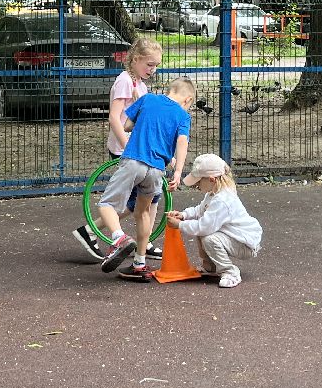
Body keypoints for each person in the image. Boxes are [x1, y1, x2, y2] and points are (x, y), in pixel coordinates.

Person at [72, 36, 163, 260]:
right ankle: (134, 238)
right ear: (135, 60)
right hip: (127, 150)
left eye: (156, 65)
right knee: (135, 201)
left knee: (143, 200)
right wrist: (127, 146)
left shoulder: (140, 84)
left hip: (140, 150)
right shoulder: (125, 80)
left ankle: (93, 232)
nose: (152, 69)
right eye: (149, 64)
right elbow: (114, 118)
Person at [99, 77, 196, 281]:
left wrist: (139, 111)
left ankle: (119, 238)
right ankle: (139, 263)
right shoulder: (183, 116)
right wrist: (178, 171)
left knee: (107, 204)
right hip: (157, 171)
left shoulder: (147, 99)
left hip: (134, 160)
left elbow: (126, 126)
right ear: (187, 99)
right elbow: (182, 141)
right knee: (143, 212)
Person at [167, 153, 262, 289]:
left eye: (199, 181)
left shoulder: (223, 200)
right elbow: (200, 210)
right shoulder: (213, 193)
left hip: (245, 243)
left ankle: (229, 272)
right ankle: (210, 267)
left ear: (211, 179)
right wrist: (183, 215)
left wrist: (180, 225)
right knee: (203, 231)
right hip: (235, 238)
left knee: (209, 238)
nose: (197, 185)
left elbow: (204, 227)